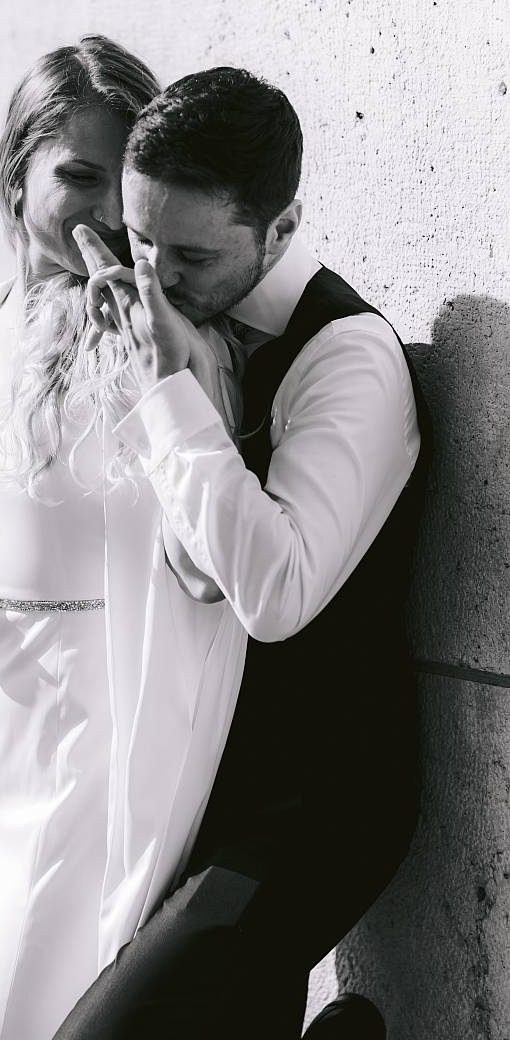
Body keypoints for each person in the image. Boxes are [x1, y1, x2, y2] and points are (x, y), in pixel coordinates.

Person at [0, 39, 248, 1040]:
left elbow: (207, 562)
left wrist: (172, 373)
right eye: (77, 173)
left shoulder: (163, 339)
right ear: (14, 171)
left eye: (123, 182)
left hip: (98, 759)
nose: (105, 212)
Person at [60, 66, 430, 1039]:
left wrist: (167, 394)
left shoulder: (347, 356)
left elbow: (273, 589)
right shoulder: (176, 325)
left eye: (187, 250)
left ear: (279, 224)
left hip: (314, 799)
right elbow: (190, 569)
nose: (154, 276)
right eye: (140, 239)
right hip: (202, 773)